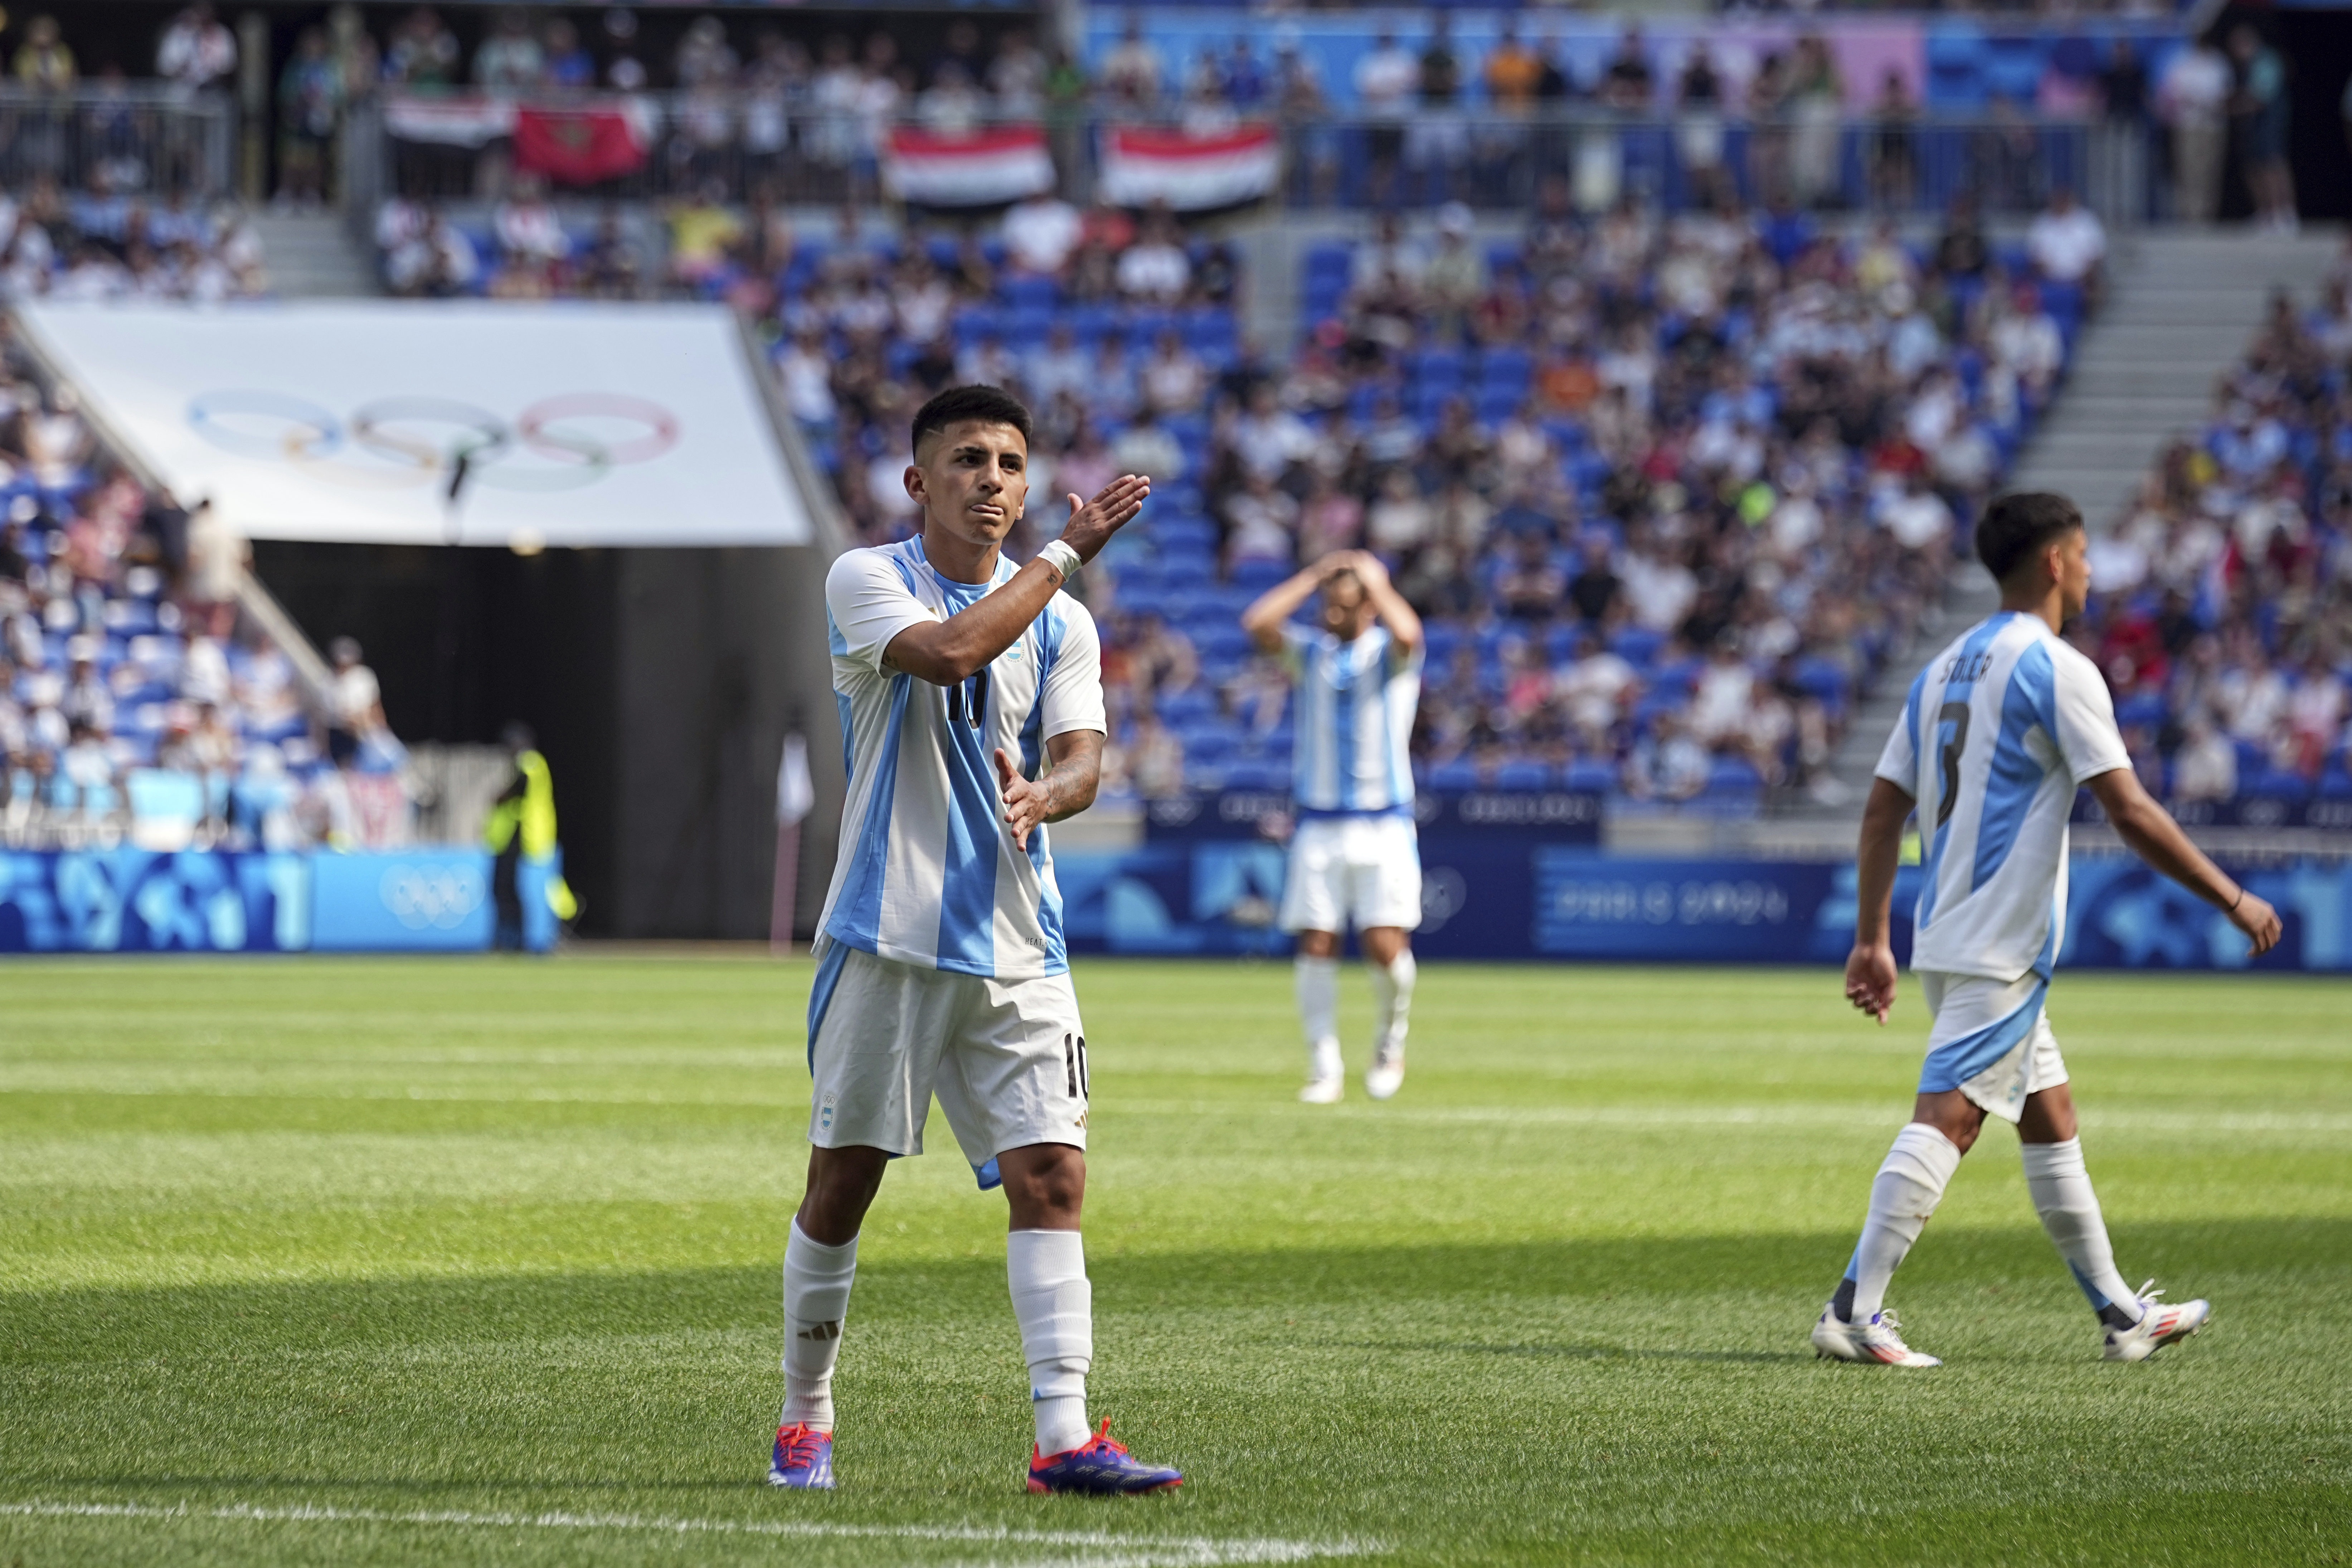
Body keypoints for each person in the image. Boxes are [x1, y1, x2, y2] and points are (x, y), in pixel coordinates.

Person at [772, 385, 1178, 1496]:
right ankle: (806, 1409)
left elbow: (1085, 754)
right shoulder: (866, 578)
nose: (992, 480)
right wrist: (1066, 553)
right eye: (967, 461)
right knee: (843, 1182)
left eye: (1008, 461)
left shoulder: (1063, 617)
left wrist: (1051, 795)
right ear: (919, 481)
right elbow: (952, 653)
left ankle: (1063, 1438)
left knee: (1053, 1174)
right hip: (887, 930)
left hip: (1019, 940)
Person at [1817, 492, 2281, 1370]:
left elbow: (1883, 811)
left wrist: (1872, 936)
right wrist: (2232, 898)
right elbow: (2130, 809)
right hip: (2000, 942)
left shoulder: (1942, 668)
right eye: (2086, 553)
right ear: (2056, 563)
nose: (2095, 571)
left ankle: (2120, 1315)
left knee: (2050, 1115)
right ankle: (1852, 1308)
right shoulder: (2056, 668)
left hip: (1950, 931)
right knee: (1949, 1121)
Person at [1238, 550, 1426, 1105]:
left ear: (1368, 606)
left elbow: (1411, 633)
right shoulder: (1310, 654)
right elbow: (1258, 623)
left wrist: (1377, 581)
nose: (1333, 614)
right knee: (1316, 942)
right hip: (1319, 825)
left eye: (1346, 605)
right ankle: (1325, 1065)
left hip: (1384, 823)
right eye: (1330, 605)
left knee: (1385, 946)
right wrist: (1315, 575)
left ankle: (1392, 1041)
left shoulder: (1389, 656)